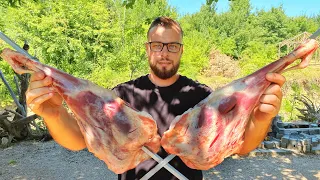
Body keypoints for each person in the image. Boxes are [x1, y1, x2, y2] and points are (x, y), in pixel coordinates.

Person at [24, 17, 285, 180]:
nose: (164, 53)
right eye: (158, 45)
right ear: (148, 49)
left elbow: (241, 146)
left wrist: (262, 119)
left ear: (181, 50)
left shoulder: (203, 97)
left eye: (172, 46)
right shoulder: (122, 95)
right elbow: (80, 141)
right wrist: (52, 114)